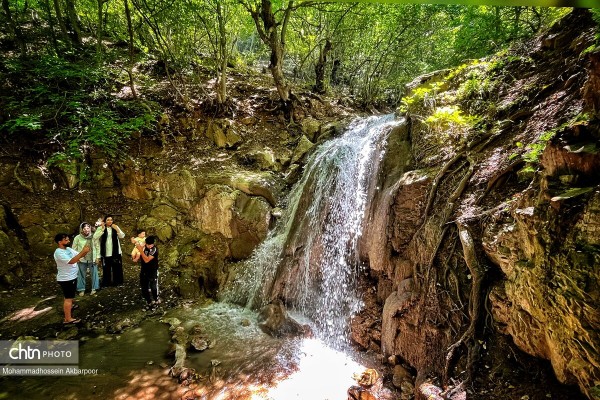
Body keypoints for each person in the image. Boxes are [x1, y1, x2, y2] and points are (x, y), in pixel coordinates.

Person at [54, 233, 90, 324]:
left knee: (70, 295)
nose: (68, 241)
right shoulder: (58, 252)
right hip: (66, 278)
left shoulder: (68, 249)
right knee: (68, 298)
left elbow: (78, 256)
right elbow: (72, 261)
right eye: (66, 240)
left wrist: (85, 251)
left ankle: (71, 307)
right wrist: (82, 252)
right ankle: (67, 319)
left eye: (68, 239)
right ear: (59, 242)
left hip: (72, 276)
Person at [93, 215, 126, 287]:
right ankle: (107, 282)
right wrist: (102, 229)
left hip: (116, 251)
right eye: (108, 220)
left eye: (111, 220)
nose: (110, 221)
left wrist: (117, 229)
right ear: (105, 221)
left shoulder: (115, 227)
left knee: (117, 267)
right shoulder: (101, 228)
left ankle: (117, 282)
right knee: (106, 268)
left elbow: (122, 236)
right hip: (106, 251)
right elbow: (95, 237)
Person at [72, 222, 100, 296]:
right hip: (81, 259)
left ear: (90, 229)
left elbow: (97, 247)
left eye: (88, 228)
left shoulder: (94, 237)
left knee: (94, 273)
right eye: (84, 228)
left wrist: (98, 257)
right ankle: (81, 289)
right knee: (81, 274)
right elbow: (74, 249)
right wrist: (76, 257)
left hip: (92, 258)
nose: (86, 230)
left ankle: (94, 288)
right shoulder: (77, 238)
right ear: (82, 229)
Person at [135, 235, 160, 309]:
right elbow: (136, 243)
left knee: (153, 287)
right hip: (144, 270)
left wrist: (140, 250)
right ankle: (149, 301)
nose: (150, 246)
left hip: (152, 270)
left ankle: (156, 299)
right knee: (144, 286)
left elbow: (146, 260)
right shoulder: (144, 246)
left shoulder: (154, 249)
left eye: (151, 244)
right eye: (148, 245)